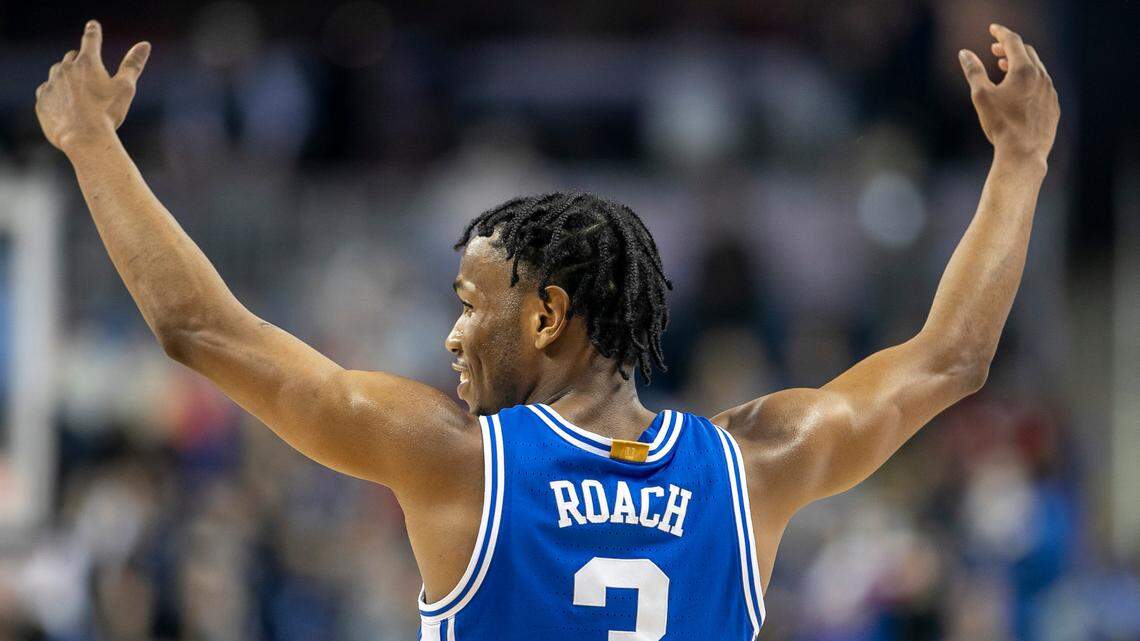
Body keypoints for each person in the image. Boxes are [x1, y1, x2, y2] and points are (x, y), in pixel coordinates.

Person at [34, 20, 1059, 640]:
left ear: (547, 313)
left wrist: (92, 148)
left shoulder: (457, 461)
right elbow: (951, 358)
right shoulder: (753, 466)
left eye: (468, 302)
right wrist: (1019, 165)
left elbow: (201, 328)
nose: (452, 336)